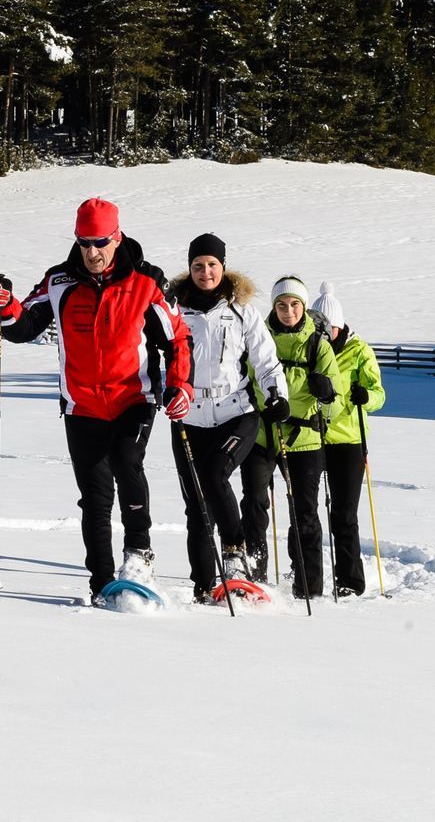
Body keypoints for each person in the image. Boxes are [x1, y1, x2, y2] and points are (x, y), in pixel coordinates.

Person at [0, 197, 192, 604]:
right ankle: (101, 584)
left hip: (134, 397)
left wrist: (180, 385)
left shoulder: (147, 282)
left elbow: (177, 338)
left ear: (117, 237)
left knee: (127, 463)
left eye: (99, 242)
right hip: (81, 406)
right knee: (95, 496)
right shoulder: (59, 281)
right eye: (84, 242)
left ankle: (138, 556)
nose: (92, 252)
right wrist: (4, 306)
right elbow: (24, 325)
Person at [168, 232, 290, 604]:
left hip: (237, 412)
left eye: (212, 265)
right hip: (188, 415)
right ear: (190, 269)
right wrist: (163, 388)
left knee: (214, 473)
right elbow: (153, 356)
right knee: (196, 504)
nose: (206, 272)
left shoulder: (242, 311)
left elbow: (266, 361)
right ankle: (205, 585)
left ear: (224, 267)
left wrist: (277, 395)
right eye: (198, 266)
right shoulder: (174, 311)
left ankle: (236, 553)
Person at [239, 274, 346, 599]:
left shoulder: (318, 344)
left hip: (305, 440)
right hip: (263, 434)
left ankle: (308, 586)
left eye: (294, 304)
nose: (288, 311)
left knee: (305, 513)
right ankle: (252, 576)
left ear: (303, 306)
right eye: (282, 305)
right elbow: (246, 378)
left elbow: (337, 403)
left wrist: (327, 394)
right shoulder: (260, 338)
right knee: (254, 505)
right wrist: (262, 403)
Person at [311, 281, 386, 597]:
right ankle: (306, 572)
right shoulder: (311, 347)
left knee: (343, 513)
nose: (330, 333)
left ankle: (350, 581)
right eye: (324, 328)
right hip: (312, 437)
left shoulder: (359, 350)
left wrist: (364, 396)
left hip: (349, 440)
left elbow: (380, 396)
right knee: (306, 510)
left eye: (334, 328)